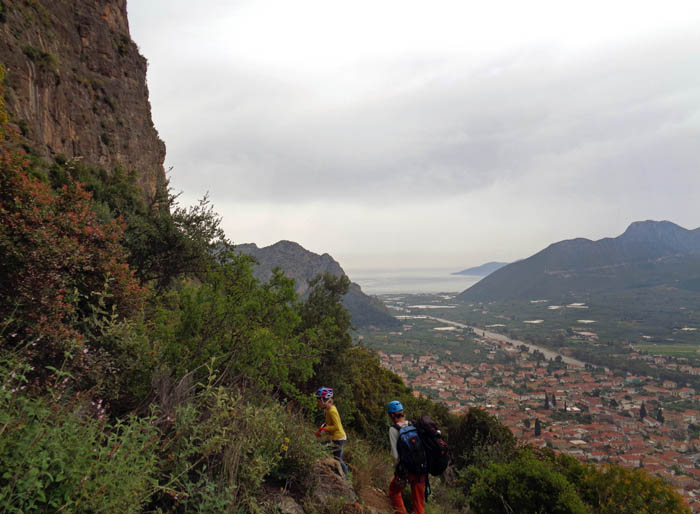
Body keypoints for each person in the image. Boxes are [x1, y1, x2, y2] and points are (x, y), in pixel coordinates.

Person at [387, 400, 426, 514]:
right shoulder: (413, 425)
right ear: (402, 412)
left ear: (391, 415)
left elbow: (395, 455)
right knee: (419, 505)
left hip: (406, 471)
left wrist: (398, 470)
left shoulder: (394, 429)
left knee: (394, 492)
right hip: (421, 468)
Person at [314, 387, 348, 475]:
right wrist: (320, 430)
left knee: (319, 447)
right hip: (337, 438)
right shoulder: (328, 409)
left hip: (338, 439)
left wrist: (324, 429)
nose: (318, 402)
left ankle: (345, 476)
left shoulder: (332, 411)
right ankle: (344, 476)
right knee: (337, 459)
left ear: (324, 400)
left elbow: (336, 427)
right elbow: (327, 423)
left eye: (319, 400)